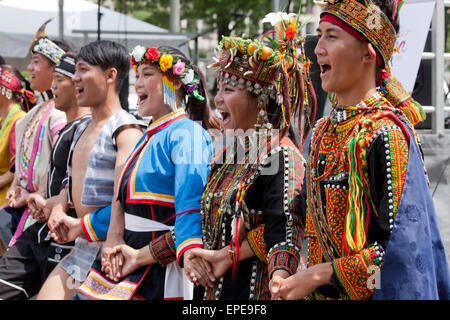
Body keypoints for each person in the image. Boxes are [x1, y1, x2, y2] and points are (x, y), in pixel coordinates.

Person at [270, 0, 450, 300]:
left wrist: (319, 274)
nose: (317, 49)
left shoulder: (386, 134)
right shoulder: (322, 131)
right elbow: (298, 215)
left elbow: (398, 254)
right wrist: (281, 271)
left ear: (368, 52)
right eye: (320, 34)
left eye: (332, 36)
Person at [183, 11, 317, 300]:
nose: (217, 100)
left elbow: (286, 227)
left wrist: (276, 277)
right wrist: (188, 254)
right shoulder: (227, 156)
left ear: (261, 99)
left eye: (229, 89)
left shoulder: (282, 156)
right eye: (218, 89)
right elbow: (209, 221)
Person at [69, 45, 218, 300]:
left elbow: (190, 206)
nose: (138, 83)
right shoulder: (149, 135)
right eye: (137, 75)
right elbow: (132, 209)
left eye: (147, 74)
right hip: (126, 259)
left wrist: (190, 251)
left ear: (174, 82)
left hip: (156, 270)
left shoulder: (187, 134)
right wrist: (78, 226)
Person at [36, 40, 144, 300]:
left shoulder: (126, 129)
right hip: (83, 245)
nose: (75, 78)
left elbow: (125, 199)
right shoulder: (81, 128)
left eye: (83, 69)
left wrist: (80, 225)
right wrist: (61, 206)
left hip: (113, 252)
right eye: (75, 71)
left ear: (110, 75)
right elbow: (69, 181)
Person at [0, 52, 92, 299]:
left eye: (59, 79)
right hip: (41, 229)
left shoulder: (89, 130)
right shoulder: (68, 127)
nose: (53, 85)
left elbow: (85, 193)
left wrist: (45, 201)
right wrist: (40, 199)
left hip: (70, 238)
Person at [0, 25, 68, 252]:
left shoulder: (59, 115)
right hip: (26, 209)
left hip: (46, 213)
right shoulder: (33, 114)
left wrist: (35, 196)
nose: (29, 67)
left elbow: (62, 167)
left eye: (36, 62)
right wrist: (18, 188)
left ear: (56, 69)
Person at [0, 67, 31, 208]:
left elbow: (16, 170)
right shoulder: (4, 120)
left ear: (3, 92)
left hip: (6, 200)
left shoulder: (18, 120)